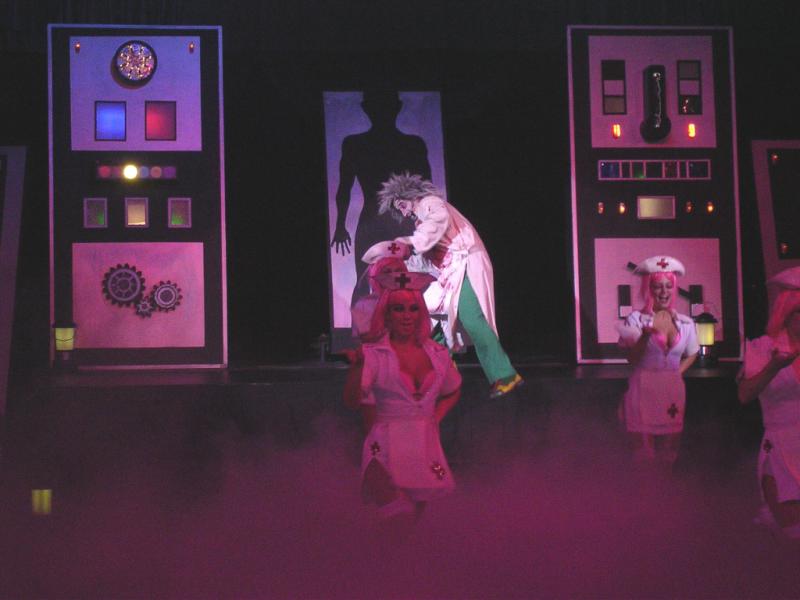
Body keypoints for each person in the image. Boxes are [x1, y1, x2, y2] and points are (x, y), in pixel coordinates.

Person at [375, 172, 523, 399]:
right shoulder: (421, 222)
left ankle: (505, 375)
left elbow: (435, 224)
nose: (404, 212)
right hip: (449, 273)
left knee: (472, 318)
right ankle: (443, 373)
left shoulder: (429, 204)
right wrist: (397, 263)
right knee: (428, 316)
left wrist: (410, 242)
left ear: (410, 196)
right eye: (400, 209)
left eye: (402, 205)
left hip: (466, 264)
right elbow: (425, 258)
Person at [343, 271, 461, 539]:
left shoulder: (438, 354)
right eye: (398, 309)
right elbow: (352, 401)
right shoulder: (374, 355)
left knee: (408, 534)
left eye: (413, 308)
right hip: (384, 447)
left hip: (423, 448)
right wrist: (358, 367)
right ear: (387, 314)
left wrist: (435, 418)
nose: (407, 316)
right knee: (398, 519)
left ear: (421, 313)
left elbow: (453, 390)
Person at [329, 91, 431, 308]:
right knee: (366, 282)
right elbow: (344, 188)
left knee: (404, 281)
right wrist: (339, 225)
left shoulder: (411, 145)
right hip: (378, 223)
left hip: (396, 223)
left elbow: (427, 191)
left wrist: (428, 227)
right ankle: (365, 327)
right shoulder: (356, 145)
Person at [617, 256, 699, 466]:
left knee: (669, 454)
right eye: (657, 286)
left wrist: (677, 373)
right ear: (649, 289)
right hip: (644, 389)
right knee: (644, 455)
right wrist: (645, 336)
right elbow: (631, 359)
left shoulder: (685, 323)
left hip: (672, 391)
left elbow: (692, 352)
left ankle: (665, 486)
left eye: (668, 286)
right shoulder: (635, 320)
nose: (663, 292)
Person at [737, 266, 800, 540]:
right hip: (782, 445)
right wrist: (774, 367)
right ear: (786, 312)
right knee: (791, 530)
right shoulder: (764, 348)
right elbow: (745, 394)